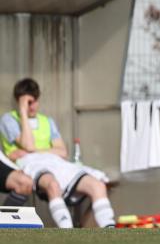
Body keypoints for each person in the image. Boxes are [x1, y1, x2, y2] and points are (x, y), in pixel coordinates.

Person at [0, 78, 116, 228]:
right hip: (29, 167)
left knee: (97, 185)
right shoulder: (9, 119)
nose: (32, 105)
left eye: (34, 100)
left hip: (56, 163)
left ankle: (109, 228)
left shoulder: (47, 121)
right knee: (53, 185)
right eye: (28, 102)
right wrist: (22, 112)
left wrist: (35, 150)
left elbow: (62, 152)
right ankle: (67, 231)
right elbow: (28, 144)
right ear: (19, 101)